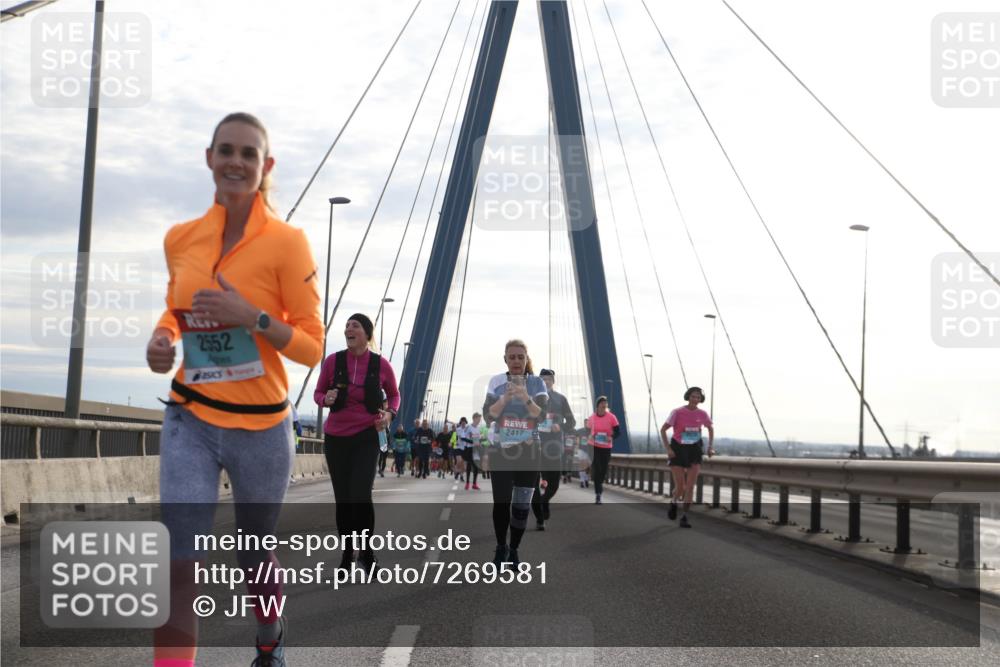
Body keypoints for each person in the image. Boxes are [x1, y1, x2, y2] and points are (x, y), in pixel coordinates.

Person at [147, 112, 323, 666]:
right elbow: (178, 307)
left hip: (264, 429)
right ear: (209, 158)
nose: (236, 162)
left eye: (249, 154)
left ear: (265, 166)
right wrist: (163, 335)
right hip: (190, 419)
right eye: (226, 150)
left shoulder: (288, 243)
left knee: (254, 553)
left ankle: (269, 636)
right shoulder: (180, 238)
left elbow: (312, 346)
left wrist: (254, 317)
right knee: (178, 558)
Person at [313, 314, 399, 572]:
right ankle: (347, 553)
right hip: (336, 437)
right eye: (347, 326)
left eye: (355, 326)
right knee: (343, 499)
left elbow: (394, 394)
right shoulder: (333, 361)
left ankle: (367, 553)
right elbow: (318, 393)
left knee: (360, 494)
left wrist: (389, 414)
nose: (349, 329)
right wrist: (324, 399)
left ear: (367, 334)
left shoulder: (381, 364)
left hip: (366, 435)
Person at [483, 339, 548, 567]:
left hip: (529, 452)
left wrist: (524, 396)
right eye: (512, 357)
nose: (516, 361)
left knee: (521, 507)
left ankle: (514, 550)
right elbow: (488, 416)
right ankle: (501, 548)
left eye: (521, 357)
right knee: (501, 503)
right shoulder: (497, 382)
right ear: (505, 359)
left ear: (526, 359)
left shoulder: (537, 383)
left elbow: (541, 415)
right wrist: (506, 398)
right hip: (502, 451)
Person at [660, 386, 715, 528]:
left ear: (701, 399)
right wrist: (668, 449)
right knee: (681, 488)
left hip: (695, 450)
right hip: (678, 449)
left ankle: (684, 517)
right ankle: (673, 502)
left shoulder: (703, 414)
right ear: (688, 396)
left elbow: (710, 428)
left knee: (690, 487)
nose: (695, 399)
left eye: (698, 397)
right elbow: (663, 430)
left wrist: (710, 447)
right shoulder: (677, 412)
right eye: (693, 396)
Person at [532, 369, 576, 530]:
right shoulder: (532, 398)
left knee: (554, 485)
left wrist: (561, 426)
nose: (546, 381)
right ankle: (539, 519)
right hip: (535, 446)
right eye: (543, 379)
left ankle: (544, 501)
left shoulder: (561, 399)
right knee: (533, 484)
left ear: (553, 381)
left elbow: (572, 422)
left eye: (549, 379)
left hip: (554, 448)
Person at [586, 396, 620, 504]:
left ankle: (599, 485)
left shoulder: (612, 417)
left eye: (605, 404)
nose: (604, 406)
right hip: (594, 446)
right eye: (602, 404)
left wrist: (611, 437)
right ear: (597, 406)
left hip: (606, 448)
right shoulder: (592, 418)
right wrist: (589, 436)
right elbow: (586, 431)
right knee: (597, 469)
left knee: (603, 471)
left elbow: (618, 432)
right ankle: (598, 494)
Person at [462, 413, 484, 490]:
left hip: (476, 449)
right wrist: (472, 442)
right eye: (478, 419)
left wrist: (481, 440)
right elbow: (463, 438)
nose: (479, 421)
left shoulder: (478, 428)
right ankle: (467, 483)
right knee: (469, 465)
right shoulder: (468, 427)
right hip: (469, 449)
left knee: (476, 466)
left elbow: (478, 439)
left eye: (480, 419)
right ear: (474, 418)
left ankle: (474, 484)